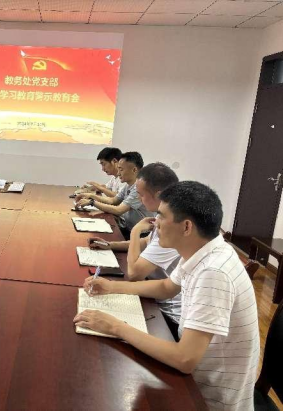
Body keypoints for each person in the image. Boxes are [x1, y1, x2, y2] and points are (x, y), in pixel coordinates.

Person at [75, 181, 259, 412]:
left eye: (161, 216)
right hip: (192, 376)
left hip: (206, 398)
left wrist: (115, 327)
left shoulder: (214, 272)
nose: (156, 222)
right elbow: (166, 287)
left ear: (186, 227)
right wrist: (112, 287)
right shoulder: (203, 250)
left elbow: (185, 359)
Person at [91, 163, 182, 339]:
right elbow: (147, 241)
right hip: (152, 294)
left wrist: (135, 231)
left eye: (141, 194)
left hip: (166, 314)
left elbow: (134, 274)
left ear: (158, 195)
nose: (139, 199)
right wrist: (110, 245)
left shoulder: (172, 226)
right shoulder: (162, 215)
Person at [77, 152, 155, 237]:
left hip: (140, 234)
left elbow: (119, 210)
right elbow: (113, 200)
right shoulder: (128, 185)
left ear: (134, 170)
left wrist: (92, 202)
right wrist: (91, 196)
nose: (118, 173)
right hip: (127, 227)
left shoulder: (138, 188)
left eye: (121, 169)